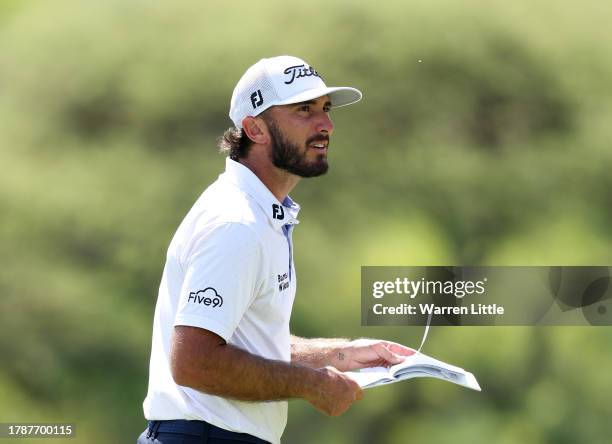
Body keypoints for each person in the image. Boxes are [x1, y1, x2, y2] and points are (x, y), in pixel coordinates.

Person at [138, 55, 414, 444]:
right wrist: (311, 385)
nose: (326, 125)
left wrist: (340, 356)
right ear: (254, 128)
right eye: (304, 110)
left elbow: (244, 344)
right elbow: (194, 362)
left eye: (326, 109)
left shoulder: (261, 215)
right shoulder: (236, 223)